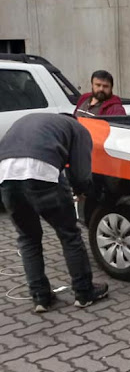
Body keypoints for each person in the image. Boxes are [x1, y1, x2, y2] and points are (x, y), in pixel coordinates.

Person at [0, 113, 108, 312]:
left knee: (28, 238)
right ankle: (84, 292)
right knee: (69, 235)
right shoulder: (79, 129)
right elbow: (80, 172)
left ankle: (40, 297)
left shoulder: (35, 122)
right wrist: (82, 191)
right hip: (41, 174)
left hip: (6, 176)